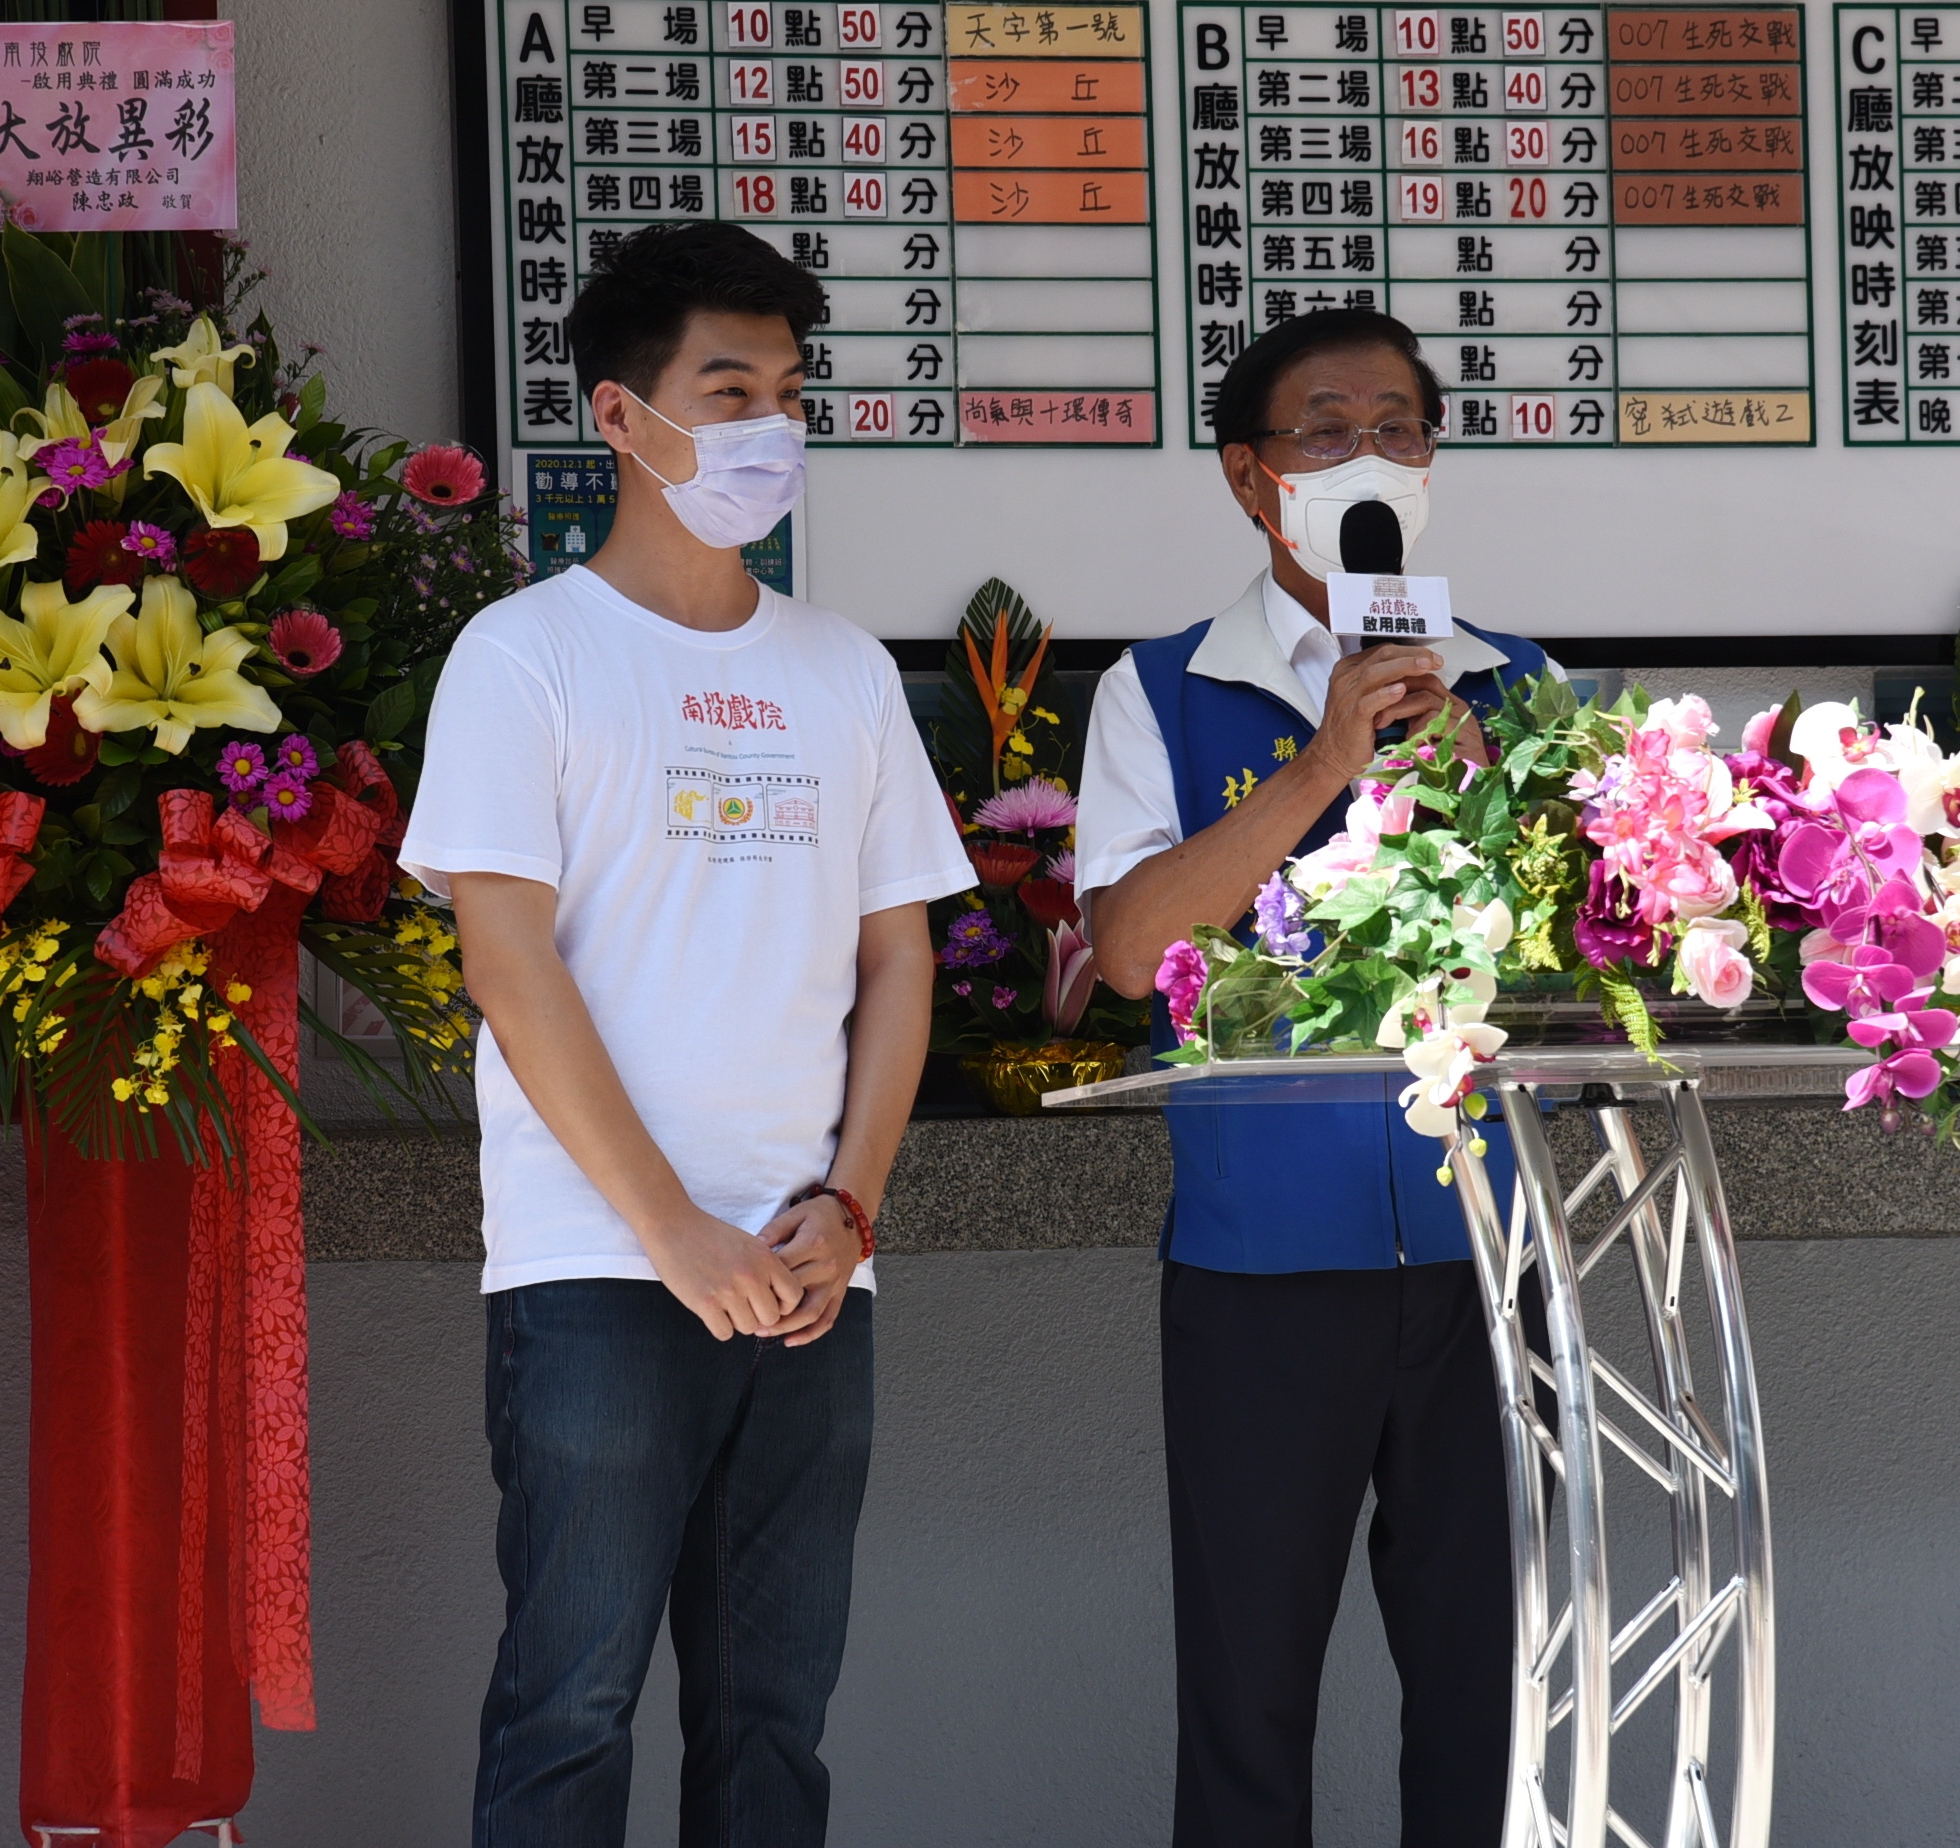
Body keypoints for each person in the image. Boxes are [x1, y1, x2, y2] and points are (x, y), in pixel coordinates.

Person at [398, 221, 974, 1848]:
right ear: (620, 417)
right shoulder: (524, 658)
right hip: (600, 1267)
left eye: (789, 392)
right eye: (728, 389)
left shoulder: (843, 670)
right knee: (570, 1708)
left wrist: (846, 1210)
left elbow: (899, 967)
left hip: (808, 1273)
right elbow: (510, 966)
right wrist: (672, 1231)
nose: (766, 427)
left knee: (775, 1725)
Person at [1077, 309, 1565, 1848]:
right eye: (1328, 427)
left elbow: (1584, 953)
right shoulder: (1159, 690)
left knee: (1492, 1686)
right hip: (1261, 1269)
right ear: (1250, 478)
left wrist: (1480, 773)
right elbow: (1126, 944)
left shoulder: (1516, 682)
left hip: (1493, 1257)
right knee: (1248, 1688)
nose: (1372, 455)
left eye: (1402, 426)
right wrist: (1320, 767)